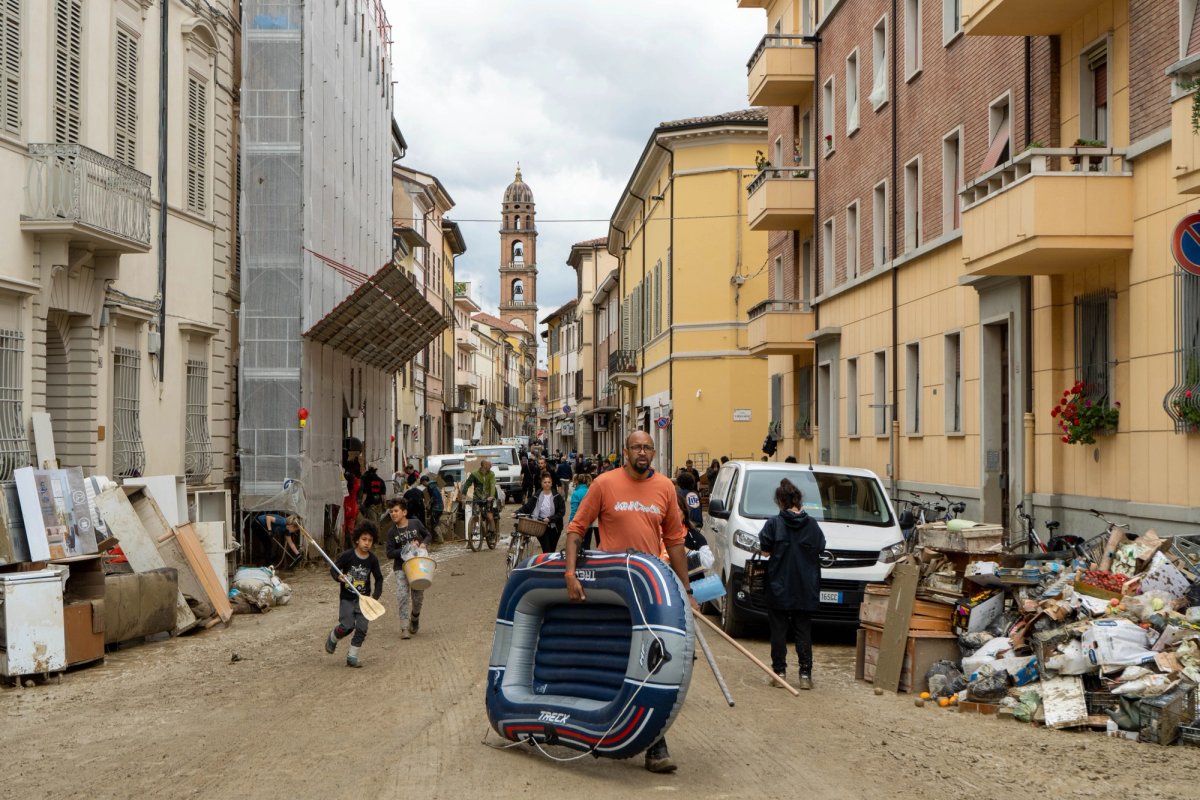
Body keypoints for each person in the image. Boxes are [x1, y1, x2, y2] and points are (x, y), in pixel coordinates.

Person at [564, 431, 695, 774]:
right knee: (613, 661)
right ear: (625, 452)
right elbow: (576, 529)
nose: (642, 452)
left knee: (652, 665)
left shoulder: (665, 488)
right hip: (614, 589)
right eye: (636, 447)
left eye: (647, 447)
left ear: (653, 452)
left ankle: (656, 744)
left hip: (651, 592)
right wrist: (569, 574)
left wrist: (686, 592)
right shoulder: (604, 484)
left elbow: (676, 542)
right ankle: (596, 729)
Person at [758, 477, 826, 690]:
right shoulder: (812, 525)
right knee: (803, 630)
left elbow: (765, 549)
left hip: (779, 584)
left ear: (780, 501)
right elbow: (820, 548)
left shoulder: (774, 524)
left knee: (778, 630)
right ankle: (805, 675)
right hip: (806, 585)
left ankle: (780, 673)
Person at [324, 521, 383, 668]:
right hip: (347, 599)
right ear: (357, 539)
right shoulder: (347, 556)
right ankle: (333, 637)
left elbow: (379, 579)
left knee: (362, 628)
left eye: (370, 540)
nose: (367, 543)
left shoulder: (373, 559)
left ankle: (352, 656)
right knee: (347, 626)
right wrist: (339, 577)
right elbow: (334, 569)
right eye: (364, 539)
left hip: (364, 601)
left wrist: (374, 598)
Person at [384, 497, 431, 639]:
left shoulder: (415, 523)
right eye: (391, 511)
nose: (393, 514)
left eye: (396, 511)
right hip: (401, 567)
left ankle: (415, 617)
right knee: (403, 596)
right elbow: (389, 553)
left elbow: (428, 535)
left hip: (418, 565)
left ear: (404, 512)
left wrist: (424, 544)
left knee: (418, 596)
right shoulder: (391, 532)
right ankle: (404, 626)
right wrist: (405, 550)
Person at [519, 473, 565, 555]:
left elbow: (562, 512)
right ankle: (547, 565)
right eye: (545, 482)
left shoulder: (557, 496)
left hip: (555, 527)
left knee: (552, 550)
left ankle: (550, 566)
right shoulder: (536, 496)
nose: (547, 484)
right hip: (540, 526)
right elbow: (527, 507)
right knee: (546, 550)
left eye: (548, 482)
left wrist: (550, 519)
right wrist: (516, 512)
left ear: (551, 483)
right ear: (541, 483)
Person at [462, 459, 499, 545]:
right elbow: (467, 483)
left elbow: (492, 485)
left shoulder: (491, 474)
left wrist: (491, 496)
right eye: (489, 464)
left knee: (490, 516)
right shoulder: (475, 474)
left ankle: (492, 534)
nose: (491, 465)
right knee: (475, 516)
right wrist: (464, 494)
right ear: (484, 465)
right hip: (477, 498)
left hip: (488, 498)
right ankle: (471, 540)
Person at [422, 474, 444, 540]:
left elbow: (434, 496)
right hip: (440, 506)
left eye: (423, 483)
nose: (423, 485)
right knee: (436, 521)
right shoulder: (435, 485)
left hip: (436, 507)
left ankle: (440, 539)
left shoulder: (430, 486)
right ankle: (436, 538)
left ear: (424, 481)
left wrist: (429, 503)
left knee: (434, 522)